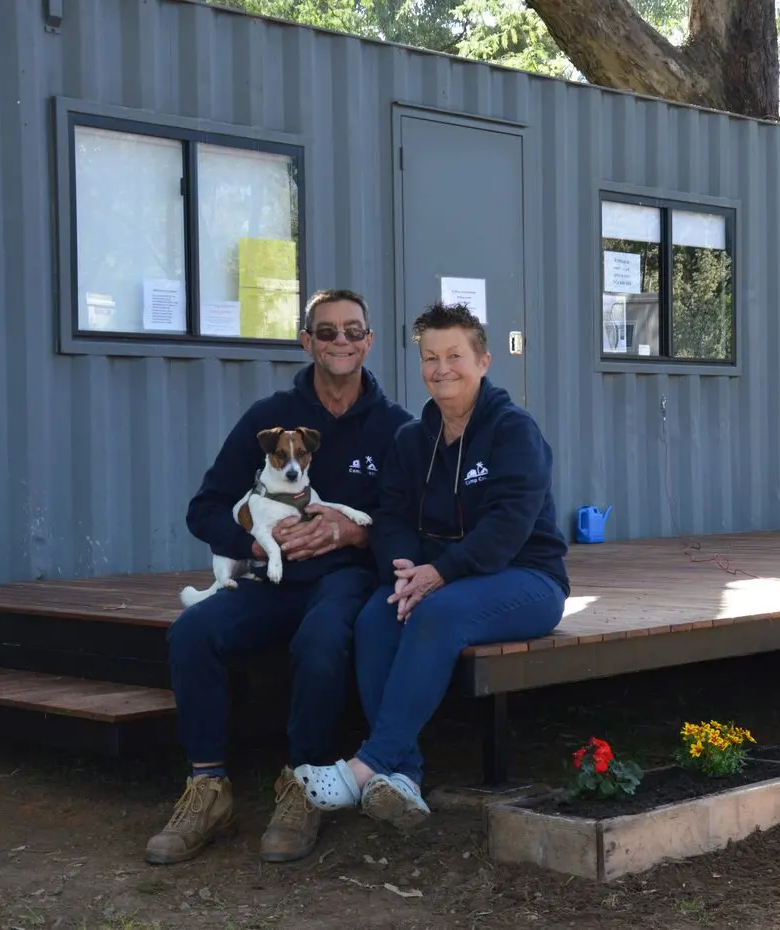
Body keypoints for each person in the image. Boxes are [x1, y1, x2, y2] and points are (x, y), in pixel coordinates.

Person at [146, 289, 412, 866]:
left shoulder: (396, 429)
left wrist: (353, 533)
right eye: (325, 331)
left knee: (321, 642)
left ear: (369, 341)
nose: (339, 341)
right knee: (192, 631)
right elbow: (206, 507)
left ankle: (302, 785)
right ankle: (207, 788)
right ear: (306, 342)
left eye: (351, 331)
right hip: (267, 579)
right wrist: (252, 542)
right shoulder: (267, 419)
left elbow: (411, 522)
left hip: (343, 580)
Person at [290, 302, 570, 830]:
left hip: (526, 578)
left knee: (436, 614)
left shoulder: (514, 431)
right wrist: (407, 571)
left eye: (455, 356)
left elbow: (508, 526)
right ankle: (404, 781)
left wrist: (438, 575)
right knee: (378, 615)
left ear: (484, 361)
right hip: (434, 577)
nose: (442, 368)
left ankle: (365, 766)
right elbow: (391, 516)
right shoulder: (410, 440)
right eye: (430, 357)